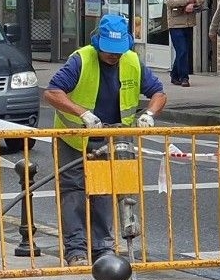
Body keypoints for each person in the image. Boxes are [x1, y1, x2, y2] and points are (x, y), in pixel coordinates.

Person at [42, 14, 166, 266]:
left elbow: (158, 93)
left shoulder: (132, 61)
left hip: (112, 137)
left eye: (118, 51)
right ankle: (76, 250)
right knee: (74, 192)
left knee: (105, 191)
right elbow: (53, 92)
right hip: (76, 139)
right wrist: (82, 113)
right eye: (109, 51)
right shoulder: (81, 59)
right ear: (97, 43)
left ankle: (102, 249)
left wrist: (150, 114)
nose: (113, 56)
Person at [163, 0, 203, 87]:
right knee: (182, 50)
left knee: (183, 51)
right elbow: (169, 2)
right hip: (175, 25)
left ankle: (174, 74)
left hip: (188, 23)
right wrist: (186, 0)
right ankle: (184, 77)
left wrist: (194, 3)